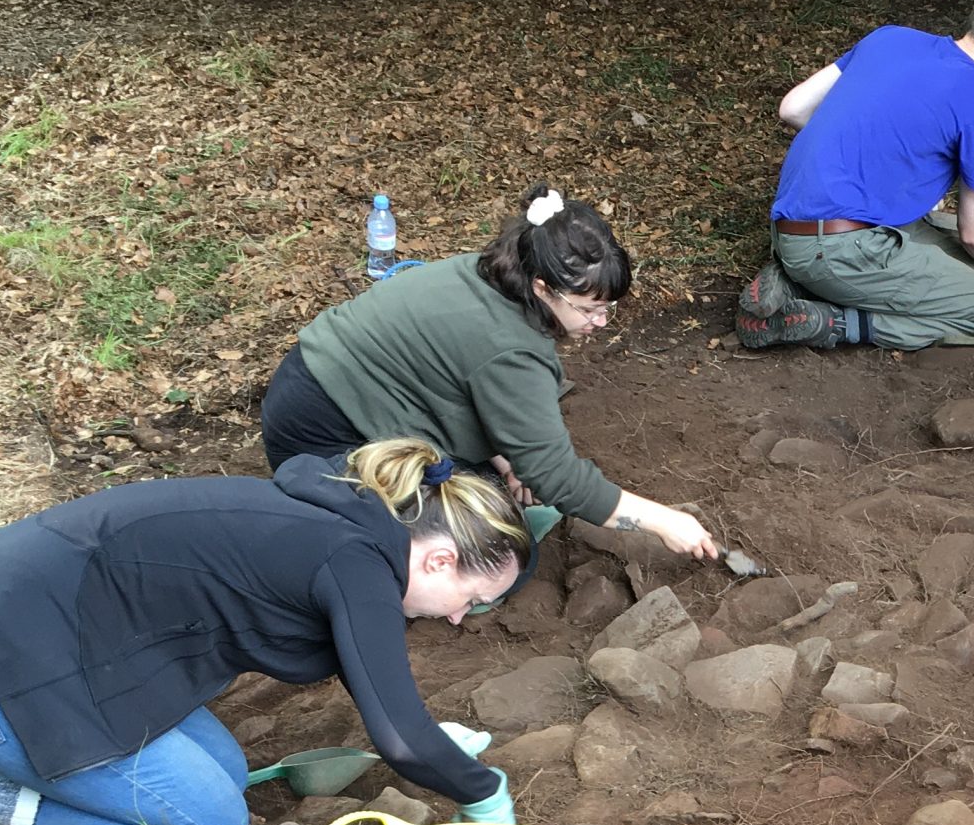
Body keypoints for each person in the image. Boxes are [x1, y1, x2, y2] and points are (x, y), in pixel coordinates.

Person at [0, 440, 533, 825]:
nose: (458, 620)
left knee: (222, 776)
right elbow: (402, 738)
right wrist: (485, 796)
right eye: (469, 601)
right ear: (439, 559)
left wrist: (438, 747)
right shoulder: (356, 566)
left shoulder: (345, 519)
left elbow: (388, 703)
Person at [261, 184, 718, 562]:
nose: (601, 323)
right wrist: (664, 520)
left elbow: (458, 377)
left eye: (607, 308)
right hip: (326, 438)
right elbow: (557, 477)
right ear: (543, 287)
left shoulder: (494, 272)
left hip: (330, 387)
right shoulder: (513, 350)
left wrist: (508, 458)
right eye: (591, 310)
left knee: (493, 488)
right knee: (498, 557)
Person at [736, 0, 974, 352]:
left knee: (949, 244)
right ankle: (833, 322)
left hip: (789, 225)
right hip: (842, 248)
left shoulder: (890, 39)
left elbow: (792, 108)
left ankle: (792, 277)